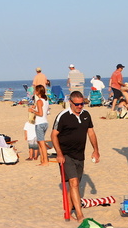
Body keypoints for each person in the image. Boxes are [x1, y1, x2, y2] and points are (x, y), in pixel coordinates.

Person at [51, 91, 100, 222]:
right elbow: (53, 135)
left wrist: (96, 150)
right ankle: (79, 214)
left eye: (82, 103)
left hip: (80, 155)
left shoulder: (86, 115)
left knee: (75, 184)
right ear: (70, 103)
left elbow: (91, 132)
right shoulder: (63, 116)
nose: (80, 106)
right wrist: (59, 154)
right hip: (66, 154)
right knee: (73, 183)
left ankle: (68, 211)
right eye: (77, 104)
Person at [29, 84, 50, 166]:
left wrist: (32, 111)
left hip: (40, 123)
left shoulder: (39, 101)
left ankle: (45, 161)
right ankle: (42, 160)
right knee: (40, 142)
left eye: (35, 90)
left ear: (38, 92)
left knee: (41, 143)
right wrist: (35, 109)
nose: (34, 92)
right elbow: (44, 112)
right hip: (45, 122)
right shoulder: (46, 100)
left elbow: (40, 114)